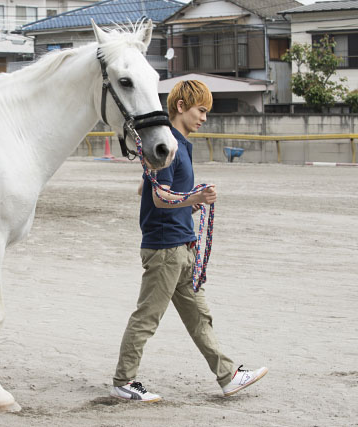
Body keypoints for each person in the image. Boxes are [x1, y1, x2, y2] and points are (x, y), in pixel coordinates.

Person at [110, 80, 267, 402]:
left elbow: (146, 189)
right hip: (166, 248)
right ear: (181, 106)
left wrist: (189, 202)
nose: (204, 117)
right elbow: (158, 195)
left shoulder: (176, 144)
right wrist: (193, 196)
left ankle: (228, 376)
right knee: (147, 317)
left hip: (180, 245)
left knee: (200, 317)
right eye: (201, 110)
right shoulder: (170, 145)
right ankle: (124, 381)